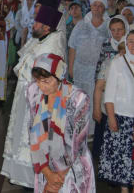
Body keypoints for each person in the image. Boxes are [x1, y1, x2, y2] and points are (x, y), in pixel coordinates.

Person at [1, 0, 66, 189]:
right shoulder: (41, 39)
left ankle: (33, 180)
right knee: (22, 136)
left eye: (37, 23)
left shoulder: (52, 45)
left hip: (38, 103)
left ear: (46, 27)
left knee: (33, 139)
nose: (33, 25)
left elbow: (45, 77)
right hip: (25, 98)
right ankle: (25, 178)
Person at [27, 53, 95, 193]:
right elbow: (33, 132)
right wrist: (47, 173)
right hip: (44, 163)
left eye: (46, 81)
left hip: (72, 168)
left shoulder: (78, 98)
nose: (41, 86)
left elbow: (78, 143)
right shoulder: (33, 91)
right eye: (38, 80)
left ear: (59, 76)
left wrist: (56, 181)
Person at [99, 31, 134, 193]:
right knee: (123, 160)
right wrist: (111, 118)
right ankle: (124, 190)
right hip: (122, 119)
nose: (132, 45)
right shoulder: (117, 63)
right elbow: (109, 94)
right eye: (129, 41)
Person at [68, 0, 108, 137]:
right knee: (79, 100)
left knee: (94, 100)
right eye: (95, 5)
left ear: (104, 9)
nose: (97, 7)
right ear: (91, 7)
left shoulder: (107, 27)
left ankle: (90, 132)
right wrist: (71, 67)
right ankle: (77, 129)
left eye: (100, 5)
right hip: (79, 69)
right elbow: (72, 46)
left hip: (97, 72)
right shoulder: (81, 25)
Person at [92, 15, 129, 158]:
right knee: (104, 126)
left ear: (125, 29)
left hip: (124, 97)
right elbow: (100, 64)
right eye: (113, 30)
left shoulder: (130, 44)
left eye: (120, 29)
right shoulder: (106, 44)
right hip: (107, 91)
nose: (117, 33)